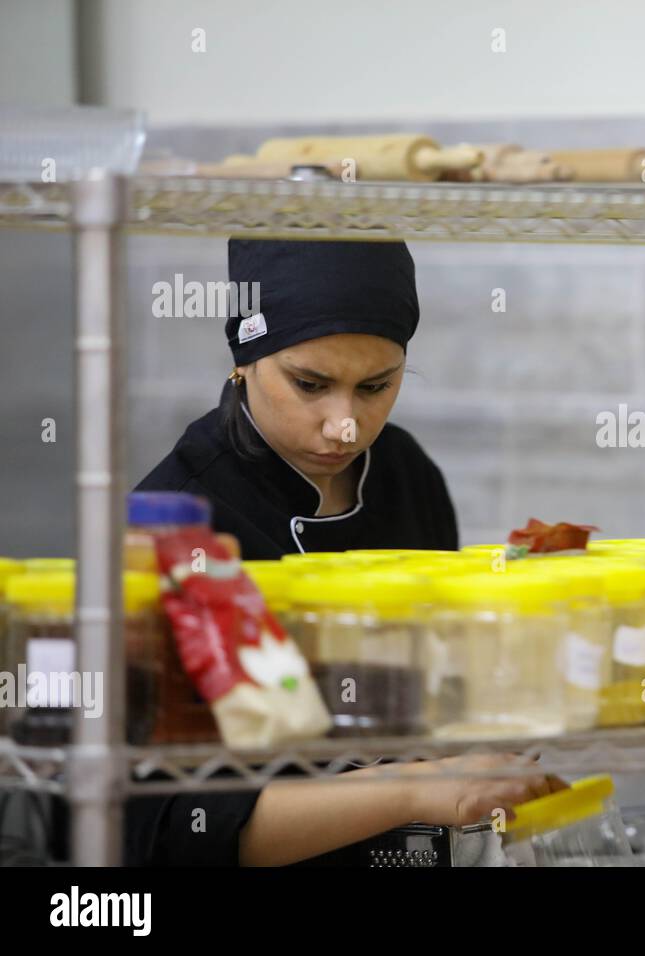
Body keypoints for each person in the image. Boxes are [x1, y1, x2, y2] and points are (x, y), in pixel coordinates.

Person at [125, 239, 562, 866]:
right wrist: (413, 790)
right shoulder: (180, 526)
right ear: (243, 360)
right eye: (310, 384)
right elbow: (174, 830)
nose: (345, 427)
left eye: (376, 386)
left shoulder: (405, 473)